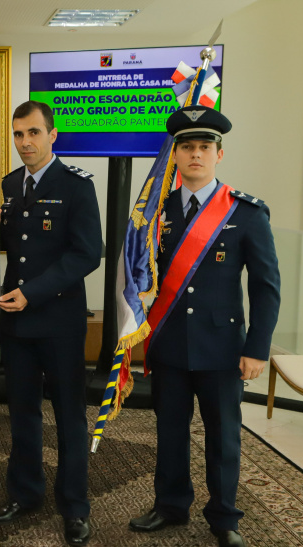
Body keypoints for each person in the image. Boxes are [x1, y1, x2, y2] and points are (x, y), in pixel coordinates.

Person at [127, 105, 280, 547]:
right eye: (187, 146)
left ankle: (224, 517)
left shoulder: (247, 212)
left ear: (220, 154)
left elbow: (267, 287)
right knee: (170, 432)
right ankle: (171, 505)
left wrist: (257, 347)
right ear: (175, 154)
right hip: (169, 344)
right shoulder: (154, 212)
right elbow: (139, 276)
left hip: (222, 348)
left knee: (223, 437)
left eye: (205, 146)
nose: (196, 153)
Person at [0, 101, 101, 546]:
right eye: (18, 135)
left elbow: (86, 253)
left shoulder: (76, 186)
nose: (25, 143)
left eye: (34, 133)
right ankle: (26, 493)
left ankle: (74, 507)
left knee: (69, 417)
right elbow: (8, 244)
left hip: (58, 321)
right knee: (22, 414)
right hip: (15, 324)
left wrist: (33, 293)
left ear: (53, 135)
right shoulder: (11, 183)